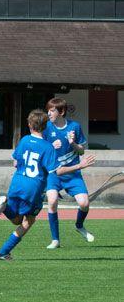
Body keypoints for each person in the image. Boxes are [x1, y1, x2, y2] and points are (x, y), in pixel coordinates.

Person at [0, 109, 95, 261]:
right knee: (28, 221)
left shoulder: (24, 140)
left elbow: (15, 162)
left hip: (17, 183)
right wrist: (80, 165)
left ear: (29, 124)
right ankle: (4, 248)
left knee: (17, 220)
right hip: (33, 189)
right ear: (45, 126)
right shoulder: (47, 147)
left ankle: (3, 252)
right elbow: (58, 171)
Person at [42, 97, 94, 249]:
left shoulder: (74, 126)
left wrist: (73, 144)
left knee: (84, 203)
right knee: (52, 201)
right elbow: (42, 150)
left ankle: (79, 225)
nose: (49, 113)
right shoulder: (46, 127)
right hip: (54, 174)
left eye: (52, 110)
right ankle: (55, 240)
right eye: (48, 110)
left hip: (73, 174)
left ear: (61, 112)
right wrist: (51, 146)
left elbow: (82, 151)